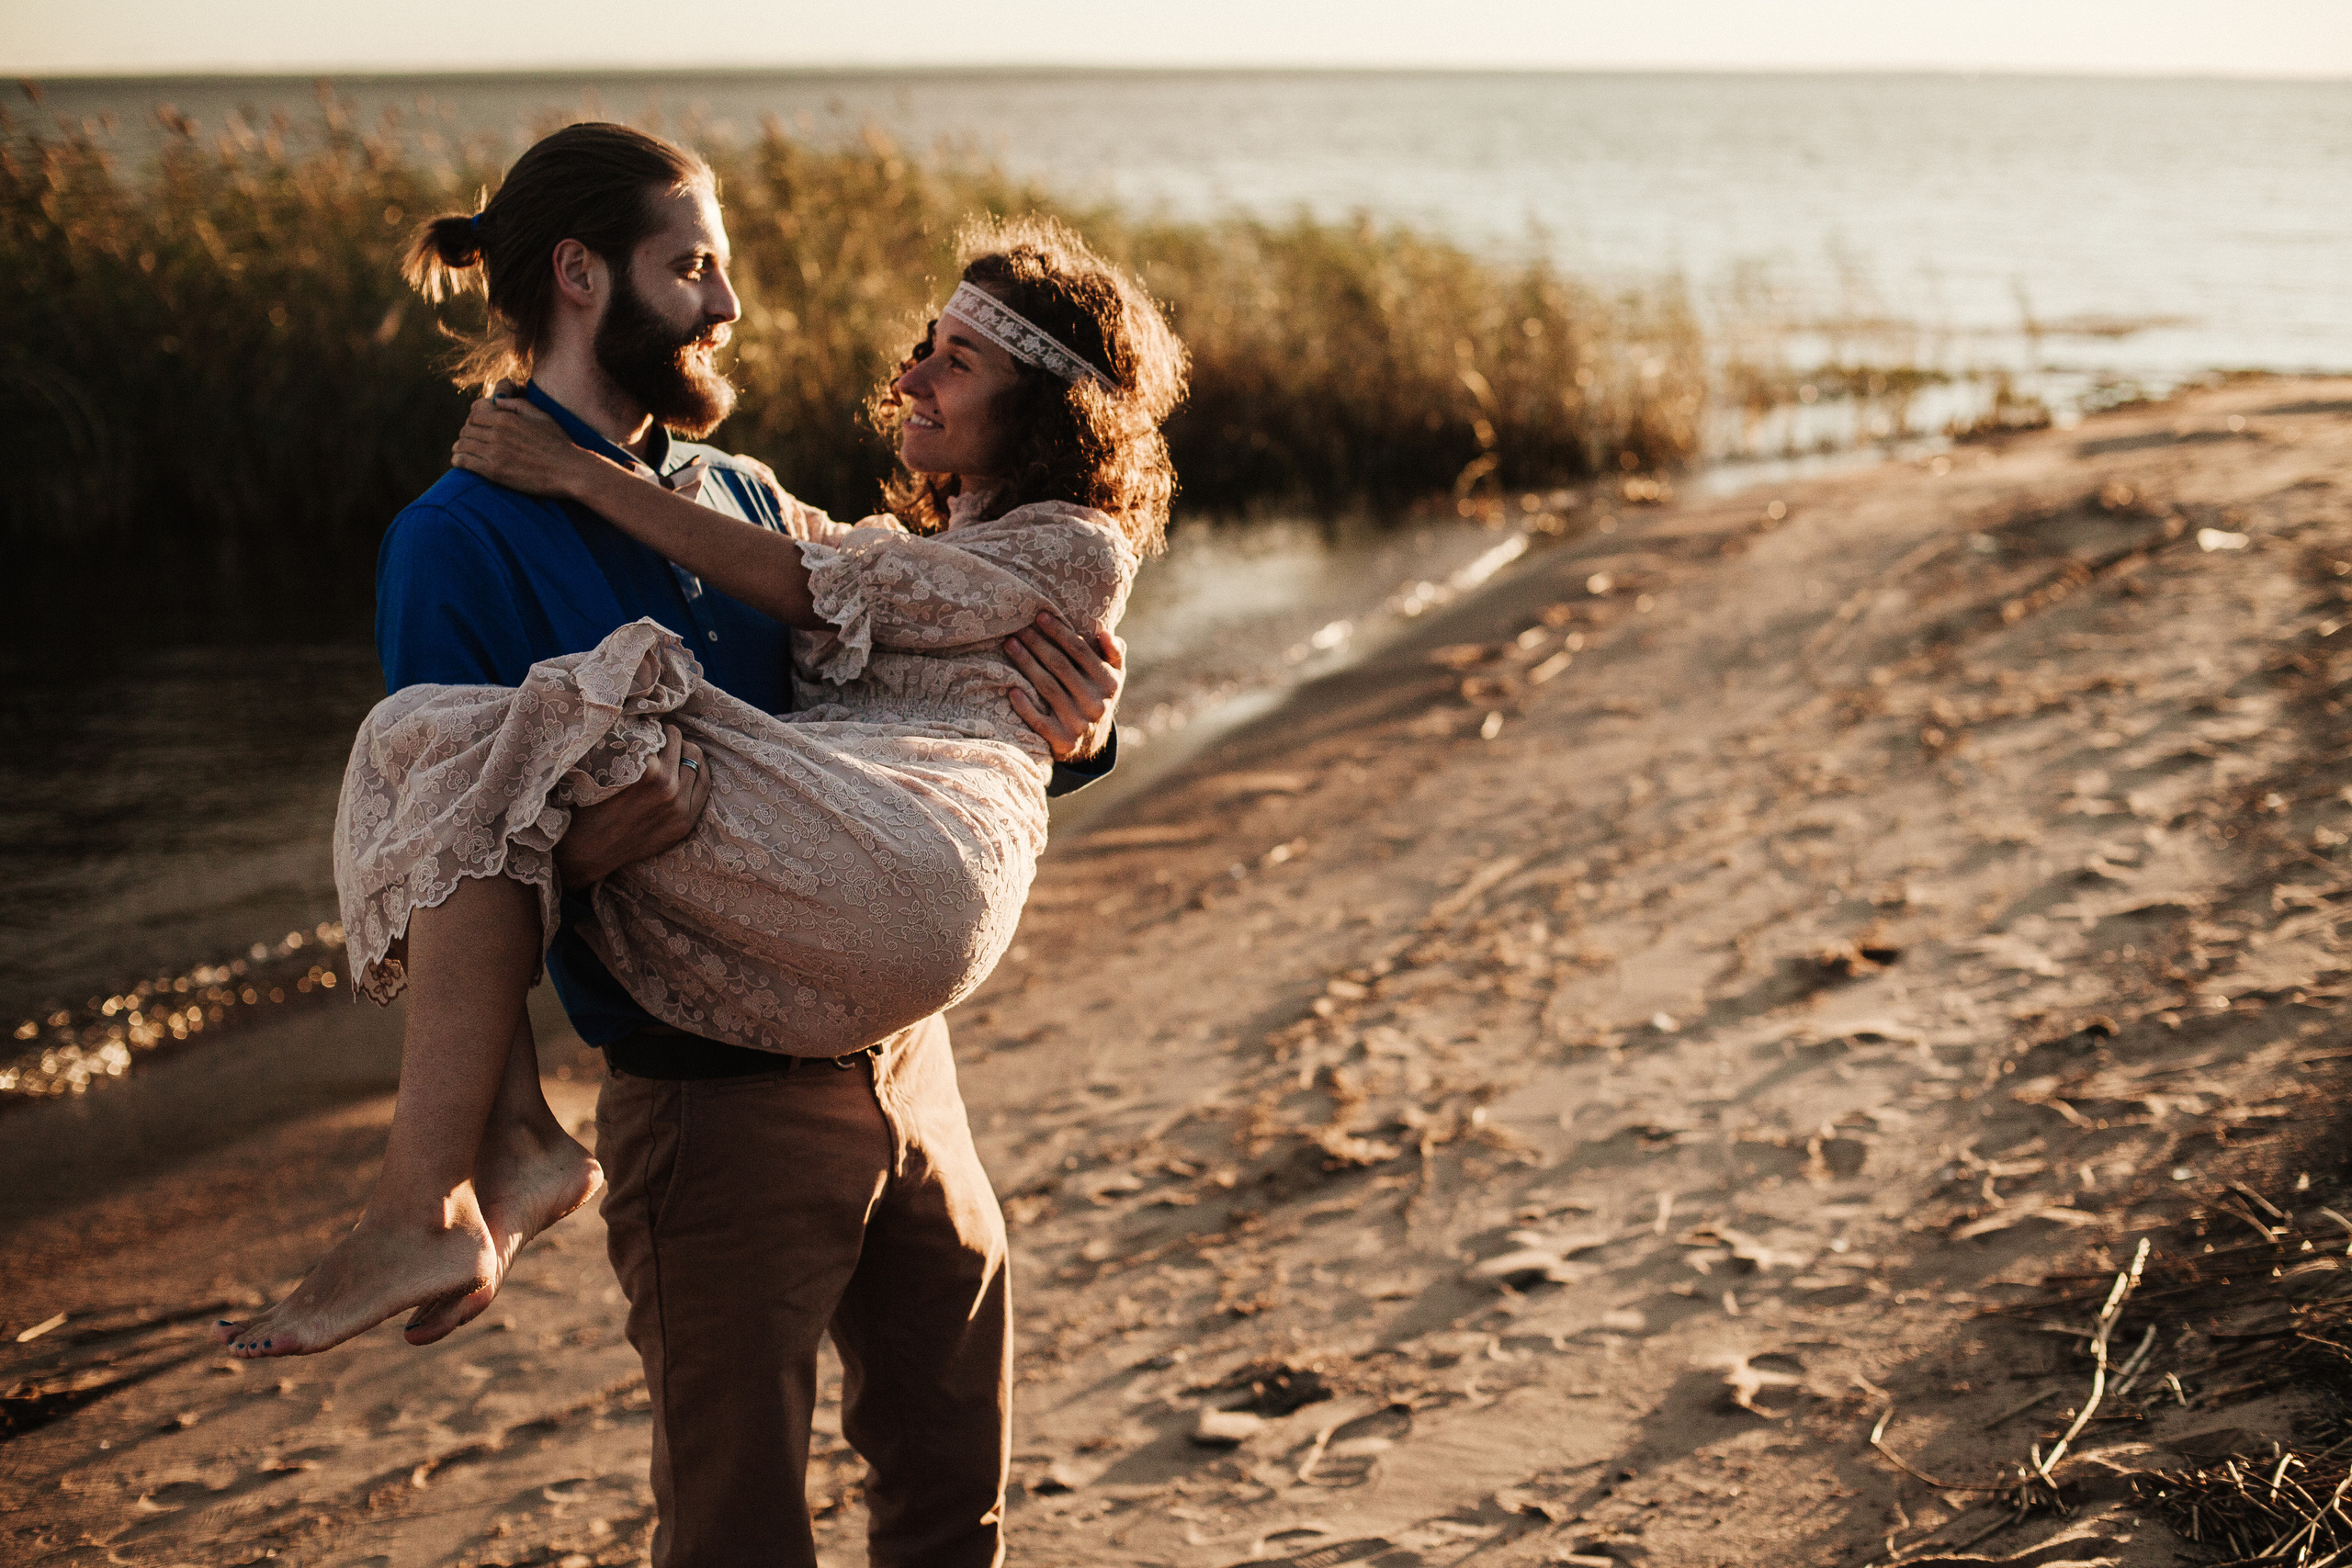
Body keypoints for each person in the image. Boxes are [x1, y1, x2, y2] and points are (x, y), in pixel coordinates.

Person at [212, 122, 1182, 1568]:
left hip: (909, 1066)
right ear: (584, 276)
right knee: (736, 1528)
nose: (729, 307)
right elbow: (447, 849)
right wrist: (586, 854)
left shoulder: (736, 492)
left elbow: (901, 694)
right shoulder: (458, 540)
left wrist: (1080, 728)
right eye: (696, 269)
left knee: (949, 1473)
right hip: (715, 1113)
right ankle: (472, 1175)